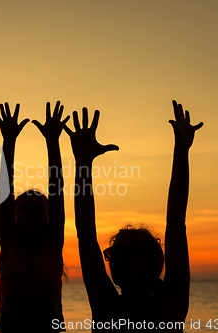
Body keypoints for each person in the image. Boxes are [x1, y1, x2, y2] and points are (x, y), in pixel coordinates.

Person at [65, 102, 202, 332]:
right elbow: (86, 235)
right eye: (113, 253)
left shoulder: (169, 310)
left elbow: (176, 224)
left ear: (154, 261)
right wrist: (82, 164)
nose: (117, 258)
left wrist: (181, 151)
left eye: (128, 251)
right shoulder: (106, 309)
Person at [0, 101, 69, 332]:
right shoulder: (9, 245)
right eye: (24, 208)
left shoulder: (52, 245)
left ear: (49, 217)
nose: (32, 213)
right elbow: (4, 191)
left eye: (38, 208)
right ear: (13, 217)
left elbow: (56, 190)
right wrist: (9, 141)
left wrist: (53, 141)